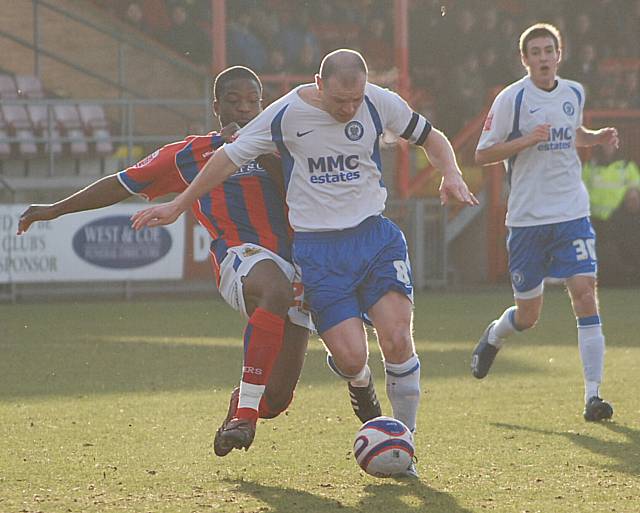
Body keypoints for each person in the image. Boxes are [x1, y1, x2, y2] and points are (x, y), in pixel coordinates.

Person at [131, 49, 478, 478]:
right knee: (353, 359)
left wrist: (452, 173)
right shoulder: (285, 114)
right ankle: (355, 374)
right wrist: (180, 204)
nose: (348, 109)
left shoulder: (379, 101)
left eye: (355, 100)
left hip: (374, 239)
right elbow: (225, 158)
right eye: (339, 101)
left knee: (397, 339)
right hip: (318, 252)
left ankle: (405, 441)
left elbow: (432, 137)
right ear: (319, 83)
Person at [17, 66, 324, 457]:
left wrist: (267, 154)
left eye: (253, 102)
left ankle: (243, 406)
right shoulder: (192, 154)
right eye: (234, 102)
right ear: (216, 107)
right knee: (274, 290)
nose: (245, 110)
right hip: (239, 258)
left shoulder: (283, 147)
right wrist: (55, 209)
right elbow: (123, 182)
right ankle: (245, 416)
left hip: (300, 264)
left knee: (278, 398)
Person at [471, 23, 619, 422]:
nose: (542, 58)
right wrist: (525, 140)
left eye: (548, 50)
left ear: (559, 54)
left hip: (571, 212)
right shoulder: (511, 99)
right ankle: (495, 335)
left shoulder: (574, 92)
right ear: (525, 59)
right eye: (534, 52)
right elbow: (482, 155)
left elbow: (573, 134)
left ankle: (593, 397)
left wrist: (596, 137)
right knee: (529, 316)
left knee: (585, 293)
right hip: (527, 220)